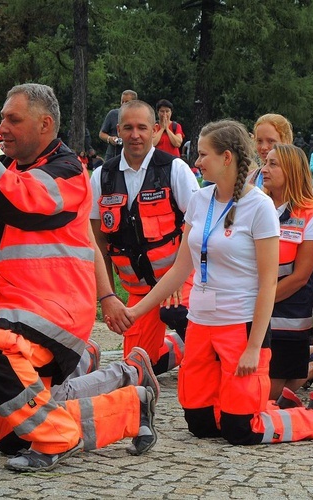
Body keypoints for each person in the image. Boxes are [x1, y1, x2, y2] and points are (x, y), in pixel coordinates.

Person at [0, 84, 158, 472]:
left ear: (45, 124)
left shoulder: (69, 171)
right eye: (2, 118)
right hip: (8, 311)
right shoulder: (3, 172)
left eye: (13, 119)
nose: (2, 127)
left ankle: (57, 437)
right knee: (13, 437)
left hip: (51, 314)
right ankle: (130, 404)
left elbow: (18, 203)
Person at [128, 119, 313, 444]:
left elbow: (268, 283)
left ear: (227, 157)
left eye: (203, 155)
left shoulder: (259, 207)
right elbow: (178, 271)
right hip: (202, 324)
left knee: (243, 432)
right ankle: (264, 407)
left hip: (240, 326)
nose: (197, 162)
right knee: (202, 426)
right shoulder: (200, 200)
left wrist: (253, 346)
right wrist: (135, 311)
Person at [90, 99, 199, 374]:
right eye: (128, 128)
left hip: (180, 281)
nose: (135, 135)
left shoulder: (174, 169)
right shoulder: (102, 176)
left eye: (141, 128)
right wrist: (108, 295)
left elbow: (197, 228)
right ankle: (178, 349)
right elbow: (97, 241)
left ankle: (203, 350)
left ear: (154, 130)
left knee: (177, 314)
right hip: (138, 291)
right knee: (136, 366)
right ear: (118, 130)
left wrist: (178, 277)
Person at [261, 143, 313, 399]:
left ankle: (311, 368)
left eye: (273, 164)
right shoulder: (255, 205)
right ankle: (312, 367)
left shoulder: (312, 214)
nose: (265, 169)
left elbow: (300, 276)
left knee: (271, 394)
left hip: (289, 312)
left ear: (292, 170)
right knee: (257, 385)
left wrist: (262, 301)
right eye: (266, 163)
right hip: (257, 306)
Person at [249, 113, 294, 187]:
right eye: (259, 141)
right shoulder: (250, 178)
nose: (263, 147)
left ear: (286, 141)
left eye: (270, 141)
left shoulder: (298, 181)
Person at [99, 90, 137, 160]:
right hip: (112, 155)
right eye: (122, 101)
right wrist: (110, 139)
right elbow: (101, 133)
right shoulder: (113, 114)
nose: (123, 104)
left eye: (127, 102)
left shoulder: (138, 117)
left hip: (130, 155)